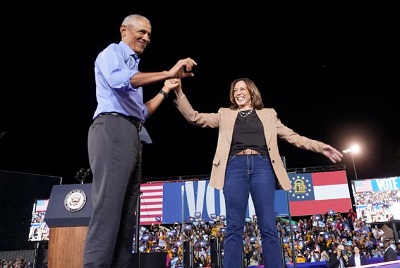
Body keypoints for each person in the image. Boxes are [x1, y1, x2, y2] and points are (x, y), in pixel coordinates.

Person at [168, 77, 343, 268]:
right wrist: (179, 92)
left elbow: (292, 137)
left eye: (242, 89)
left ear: (251, 92)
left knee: (268, 225)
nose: (238, 93)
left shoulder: (268, 114)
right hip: (234, 168)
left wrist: (320, 148)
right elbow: (195, 117)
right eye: (235, 90)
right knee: (234, 226)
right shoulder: (224, 114)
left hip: (262, 167)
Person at [83, 14, 197, 268]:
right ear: (124, 29)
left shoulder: (134, 70)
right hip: (112, 129)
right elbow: (118, 80)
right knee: (108, 209)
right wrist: (167, 71)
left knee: (127, 215)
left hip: (132, 133)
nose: (146, 38)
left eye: (149, 35)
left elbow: (141, 112)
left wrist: (165, 90)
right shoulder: (112, 52)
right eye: (142, 32)